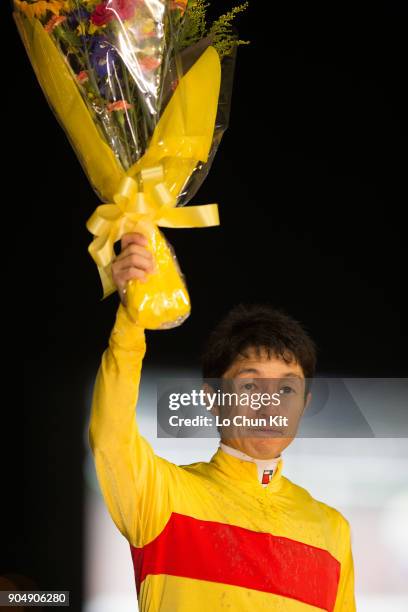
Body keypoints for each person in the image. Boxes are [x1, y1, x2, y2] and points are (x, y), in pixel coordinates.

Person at [88, 231, 356, 611]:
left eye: (286, 390)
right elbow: (110, 438)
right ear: (213, 399)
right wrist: (133, 320)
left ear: (304, 404)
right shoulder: (163, 498)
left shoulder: (333, 531)